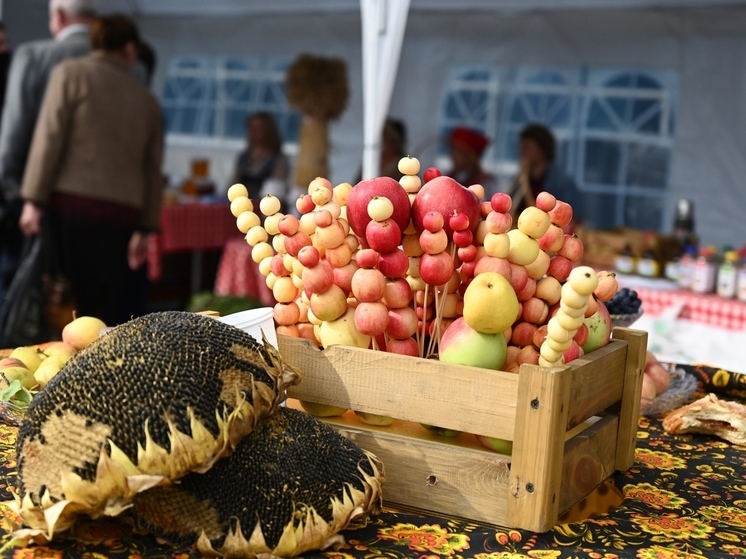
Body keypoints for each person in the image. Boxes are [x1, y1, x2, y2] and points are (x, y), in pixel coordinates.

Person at [18, 14, 164, 326]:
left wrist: (33, 200)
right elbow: (152, 170)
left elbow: (49, 138)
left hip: (71, 207)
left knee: (64, 304)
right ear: (128, 48)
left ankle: (62, 368)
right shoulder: (147, 101)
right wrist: (146, 227)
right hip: (122, 216)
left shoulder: (70, 74)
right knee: (106, 308)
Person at [0, 0, 96, 311]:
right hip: (103, 205)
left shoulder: (35, 55)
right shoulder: (121, 63)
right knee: (91, 308)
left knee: (27, 300)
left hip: (37, 202)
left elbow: (15, 129)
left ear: (57, 15)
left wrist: (14, 189)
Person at [509, 123, 583, 222]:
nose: (523, 152)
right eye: (522, 147)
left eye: (528, 147)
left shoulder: (562, 183)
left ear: (543, 150)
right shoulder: (520, 179)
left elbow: (574, 218)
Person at [231, 112, 290, 212]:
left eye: (259, 128)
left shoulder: (278, 160)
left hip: (266, 211)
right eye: (251, 128)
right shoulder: (243, 158)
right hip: (243, 210)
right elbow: (233, 184)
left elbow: (276, 191)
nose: (254, 132)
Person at [354, 118, 408, 183]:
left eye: (387, 137)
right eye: (382, 136)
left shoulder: (406, 166)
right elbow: (357, 185)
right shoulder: (370, 161)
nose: (383, 140)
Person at [447, 127, 497, 196]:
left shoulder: (483, 184)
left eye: (458, 151)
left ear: (469, 156)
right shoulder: (449, 177)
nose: (453, 155)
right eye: (453, 150)